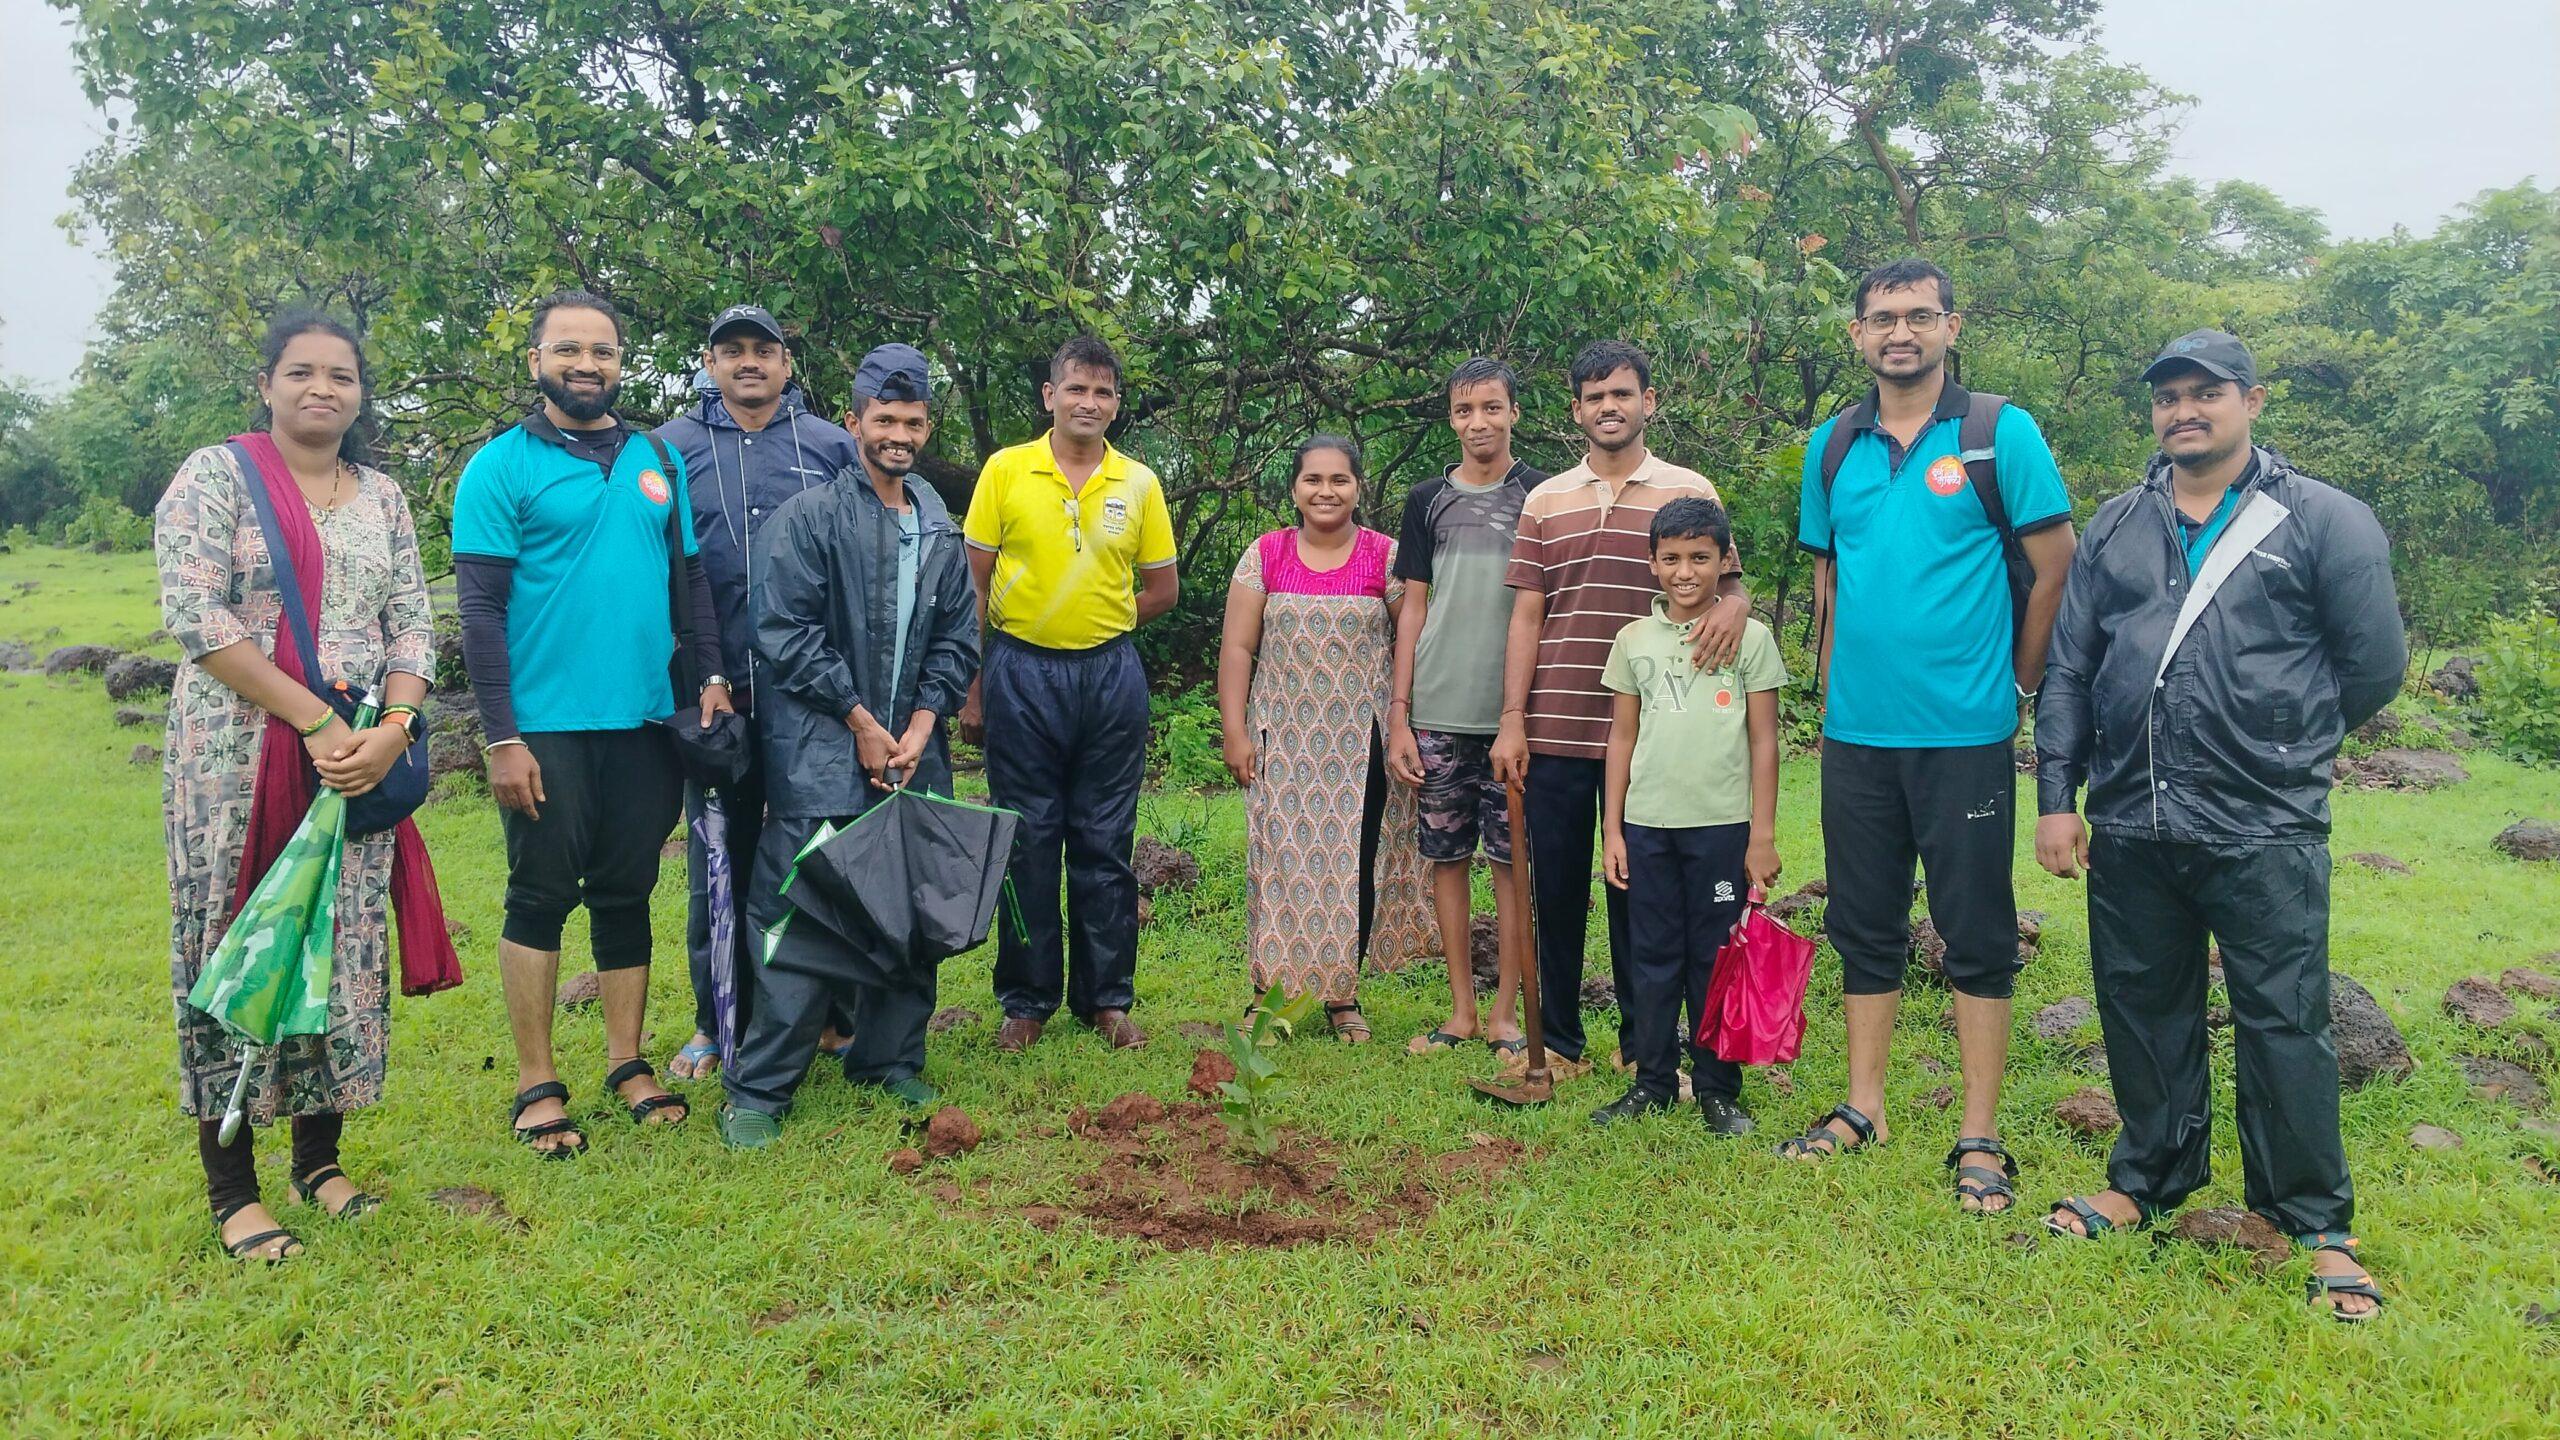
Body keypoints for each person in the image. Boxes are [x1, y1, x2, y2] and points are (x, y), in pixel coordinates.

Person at [2034, 330, 2406, 1320]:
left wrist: (2280, 743)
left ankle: (2313, 1220)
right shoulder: (2116, 526)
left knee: (2284, 1018)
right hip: (2132, 819)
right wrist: (2054, 801)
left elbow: (2371, 665)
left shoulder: (2322, 519)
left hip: (2263, 824)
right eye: (2167, 397)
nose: (2183, 411)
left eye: (2205, 393)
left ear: (2251, 399)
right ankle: (2149, 1178)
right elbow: (2069, 667)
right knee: (2140, 1005)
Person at [1780, 258, 2077, 1218]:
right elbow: (1829, 582)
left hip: (1965, 736)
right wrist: (1830, 695)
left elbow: (2055, 565)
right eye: (1881, 319)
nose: (1898, 333)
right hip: (1858, 736)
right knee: (1862, 924)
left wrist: (2022, 680)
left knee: (1977, 932)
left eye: (1917, 316)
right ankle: (1862, 1107)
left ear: (1951, 326)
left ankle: (1980, 1133)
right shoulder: (1831, 447)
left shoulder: (1998, 434)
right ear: (1858, 336)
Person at [156, 311, 454, 1260]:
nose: (323, 389)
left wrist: (394, 727)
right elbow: (195, 615)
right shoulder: (217, 475)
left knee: (342, 943)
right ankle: (232, 1187)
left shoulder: (385, 497)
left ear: (361, 392)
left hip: (357, 759)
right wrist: (320, 720)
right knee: (245, 940)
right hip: (239, 757)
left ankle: (318, 1161)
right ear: (268, 383)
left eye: (343, 375)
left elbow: (413, 622)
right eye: (302, 373)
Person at [452, 290, 730, 1156]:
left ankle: (626, 1061)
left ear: (621, 363)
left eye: (602, 351)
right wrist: (502, 736)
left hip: (646, 720)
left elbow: (690, 583)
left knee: (626, 891)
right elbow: (481, 610)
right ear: (535, 362)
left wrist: (710, 675)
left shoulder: (657, 459)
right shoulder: (499, 467)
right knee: (539, 894)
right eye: (567, 350)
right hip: (545, 727)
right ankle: (537, 1082)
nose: (586, 365)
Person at [718, 344, 980, 1147]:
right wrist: (862, 723)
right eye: (885, 420)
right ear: (853, 420)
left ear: (926, 425)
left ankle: (889, 1060)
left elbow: (958, 637)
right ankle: (759, 1092)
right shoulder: (810, 518)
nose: (899, 434)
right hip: (822, 754)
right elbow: (783, 635)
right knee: (802, 917)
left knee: (911, 907)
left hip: (913, 752)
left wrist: (921, 727)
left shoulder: (936, 519)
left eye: (913, 421)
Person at [1491, 340, 1749, 1079]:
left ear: (1649, 402)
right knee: (1560, 890)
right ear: (1575, 410)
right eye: (1595, 396)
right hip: (1557, 724)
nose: (1610, 406)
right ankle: (1563, 1043)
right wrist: (1513, 718)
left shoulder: (1686, 488)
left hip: (1659, 735)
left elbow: (1727, 585)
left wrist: (1737, 604)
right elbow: (1527, 616)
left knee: (1644, 895)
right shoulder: (1545, 500)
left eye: (1623, 394)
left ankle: (1647, 1044)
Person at [654, 303, 862, 1080]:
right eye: (731, 350)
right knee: (722, 858)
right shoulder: (670, 451)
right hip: (715, 699)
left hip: (813, 697)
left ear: (786, 363)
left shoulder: (831, 448)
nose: (749, 363)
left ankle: (834, 1015)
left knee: (821, 853)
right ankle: (718, 1020)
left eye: (763, 350)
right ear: (709, 363)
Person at [959, 338, 1178, 1053]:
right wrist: (974, 687)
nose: (1089, 403)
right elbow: (974, 587)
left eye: (1104, 392)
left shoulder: (1138, 482)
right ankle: (1026, 1001)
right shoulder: (1005, 471)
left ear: (1117, 404)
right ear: (1049, 395)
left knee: (1104, 841)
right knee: (1025, 840)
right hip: (1020, 674)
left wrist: (1100, 628)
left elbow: (1161, 589)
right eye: (1076, 389)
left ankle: (1105, 1000)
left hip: (1109, 679)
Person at [1217, 434, 1422, 1041]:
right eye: (1313, 480)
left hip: (1360, 743)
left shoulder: (1385, 556)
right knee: (1277, 862)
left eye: (1340, 480)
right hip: (1282, 738)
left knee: (1355, 864)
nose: (1326, 491)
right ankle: (1267, 992)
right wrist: (1234, 730)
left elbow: (1409, 642)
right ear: (1294, 489)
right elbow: (1238, 647)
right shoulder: (1266, 554)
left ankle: (1342, 996)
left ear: (1359, 487)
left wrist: (1402, 723)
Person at [1595, 498, 1787, 1132]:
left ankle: (1716, 1087)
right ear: (1652, 564)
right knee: (1650, 954)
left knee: (1713, 955)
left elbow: (1764, 741)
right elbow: (1621, 738)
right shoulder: (1632, 641)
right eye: (1671, 558)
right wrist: (1613, 830)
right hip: (1648, 829)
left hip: (1722, 833)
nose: (1685, 571)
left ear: (1724, 560)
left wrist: (1761, 837)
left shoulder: (1749, 639)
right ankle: (1652, 1081)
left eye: (1700, 558)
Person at [1384, 358, 1543, 1060]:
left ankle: (1509, 1013)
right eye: (1463, 410)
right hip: (1438, 709)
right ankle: (1462, 1011)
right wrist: (1400, 712)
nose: (1477, 422)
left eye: (1491, 408)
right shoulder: (1426, 501)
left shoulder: (1543, 495)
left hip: (1518, 712)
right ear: (1449, 417)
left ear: (1514, 413)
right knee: (1445, 858)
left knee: (1513, 865)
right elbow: (1412, 605)